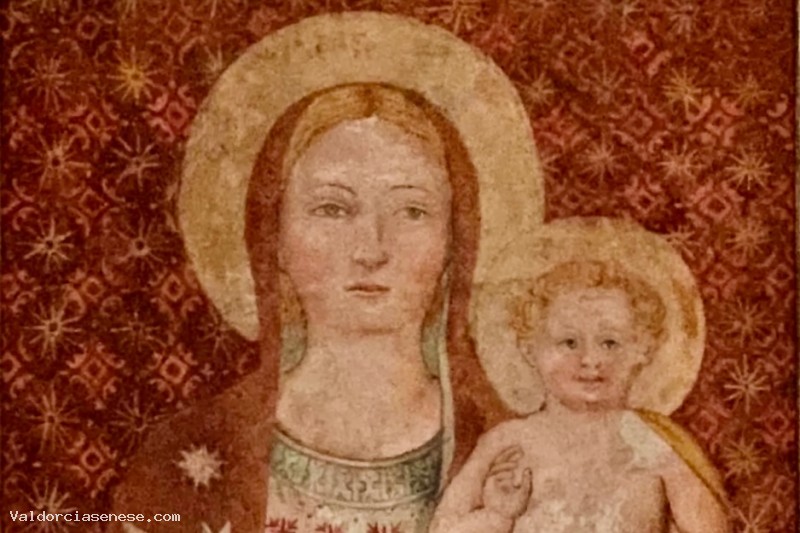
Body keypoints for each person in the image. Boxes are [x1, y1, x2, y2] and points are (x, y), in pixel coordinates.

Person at [110, 83, 509, 533]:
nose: (371, 250)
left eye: (412, 211)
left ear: (455, 241)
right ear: (275, 237)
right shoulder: (192, 453)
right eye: (332, 209)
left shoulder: (506, 454)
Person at [430, 260, 730, 533]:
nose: (590, 360)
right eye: (569, 342)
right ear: (530, 349)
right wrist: (498, 516)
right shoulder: (508, 442)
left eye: (610, 343)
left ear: (643, 350)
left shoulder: (653, 444)